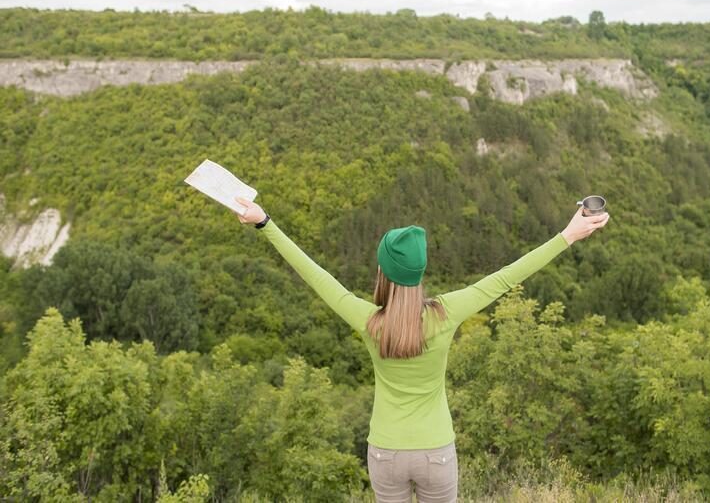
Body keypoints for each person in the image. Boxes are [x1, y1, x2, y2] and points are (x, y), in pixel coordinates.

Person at [234, 196, 609, 503]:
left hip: (385, 452)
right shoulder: (446, 313)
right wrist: (567, 235)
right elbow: (507, 276)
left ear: (382, 272)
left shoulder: (368, 321)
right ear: (420, 271)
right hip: (435, 452)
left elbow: (315, 274)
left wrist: (265, 222)